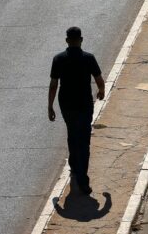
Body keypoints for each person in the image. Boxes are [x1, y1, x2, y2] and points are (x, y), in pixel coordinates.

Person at [48, 26, 105, 194]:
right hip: (85, 104)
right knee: (84, 141)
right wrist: (101, 91)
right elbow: (99, 80)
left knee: (73, 135)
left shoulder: (58, 59)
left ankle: (74, 165)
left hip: (66, 105)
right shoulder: (89, 58)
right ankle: (83, 180)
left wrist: (50, 106)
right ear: (81, 40)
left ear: (67, 41)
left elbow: (53, 85)